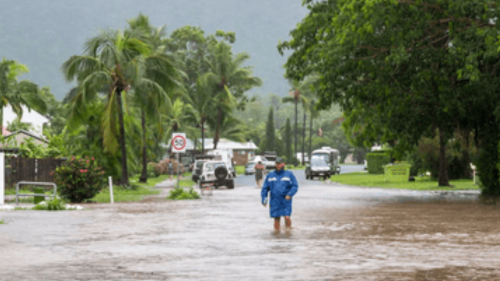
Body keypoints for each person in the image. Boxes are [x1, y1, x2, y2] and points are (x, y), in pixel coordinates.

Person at [261, 157, 299, 230]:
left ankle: (288, 231)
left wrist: (290, 194)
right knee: (276, 218)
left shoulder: (289, 174)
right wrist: (264, 200)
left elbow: (295, 186)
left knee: (287, 216)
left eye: (280, 164)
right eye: (277, 163)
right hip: (274, 200)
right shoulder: (270, 175)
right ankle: (276, 234)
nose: (278, 165)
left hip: (286, 199)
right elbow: (265, 188)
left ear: (283, 164)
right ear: (275, 164)